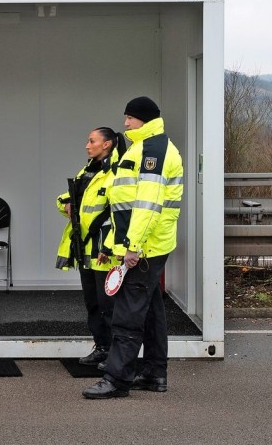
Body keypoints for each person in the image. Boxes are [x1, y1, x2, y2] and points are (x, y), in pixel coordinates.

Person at [83, 96, 184, 399]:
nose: (125, 124)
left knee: (127, 313)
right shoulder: (144, 147)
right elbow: (125, 205)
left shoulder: (153, 150)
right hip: (144, 245)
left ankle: (117, 379)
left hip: (144, 248)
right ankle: (154, 373)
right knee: (151, 309)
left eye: (129, 118)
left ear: (143, 119)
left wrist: (133, 247)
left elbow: (147, 205)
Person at [55, 126, 123, 367]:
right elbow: (74, 198)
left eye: (92, 141)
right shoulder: (88, 170)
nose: (87, 145)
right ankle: (102, 348)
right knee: (93, 304)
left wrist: (108, 247)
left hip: (104, 253)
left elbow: (119, 214)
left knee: (109, 307)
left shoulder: (116, 172)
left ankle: (116, 353)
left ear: (107, 144)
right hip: (85, 250)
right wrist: (64, 203)